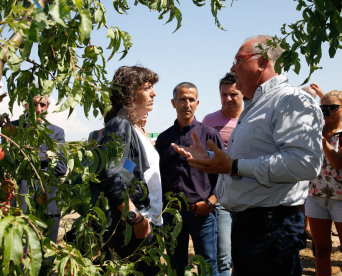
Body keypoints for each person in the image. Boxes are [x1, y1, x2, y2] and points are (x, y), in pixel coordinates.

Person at [171, 35, 323, 275]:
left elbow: (304, 164)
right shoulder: (256, 105)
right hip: (250, 228)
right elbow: (247, 159)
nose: (232, 68)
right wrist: (212, 159)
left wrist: (233, 166)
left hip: (272, 230)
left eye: (237, 60)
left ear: (262, 61)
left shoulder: (291, 100)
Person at [97, 65, 162, 275]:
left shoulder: (135, 128)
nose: (154, 93)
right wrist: (135, 217)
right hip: (135, 225)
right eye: (147, 88)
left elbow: (128, 172)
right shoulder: (120, 124)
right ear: (129, 93)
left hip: (147, 221)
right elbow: (109, 175)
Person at [155, 82, 223, 276]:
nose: (187, 104)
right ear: (173, 103)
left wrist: (211, 202)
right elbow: (158, 175)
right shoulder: (164, 139)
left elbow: (223, 175)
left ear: (198, 103)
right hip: (172, 215)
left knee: (208, 265)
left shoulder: (210, 136)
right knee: (175, 265)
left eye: (191, 99)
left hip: (202, 213)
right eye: (182, 99)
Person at [11, 93, 67, 274]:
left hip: (49, 198)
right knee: (17, 248)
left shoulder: (56, 132)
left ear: (47, 107)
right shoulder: (13, 128)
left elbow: (60, 167)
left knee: (47, 251)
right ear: (25, 105)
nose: (38, 109)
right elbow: (11, 162)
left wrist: (29, 156)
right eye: (34, 104)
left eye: (42, 104)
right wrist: (47, 155)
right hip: (22, 197)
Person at [202, 72, 243, 276]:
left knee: (245, 255)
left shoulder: (250, 119)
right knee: (223, 256)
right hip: (221, 197)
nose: (228, 99)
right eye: (223, 94)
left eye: (233, 94)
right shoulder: (209, 120)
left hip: (248, 195)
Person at [306, 90, 342, 276]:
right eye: (323, 107)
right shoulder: (314, 131)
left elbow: (338, 162)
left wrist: (322, 142)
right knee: (321, 249)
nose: (327, 111)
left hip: (340, 199)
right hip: (315, 196)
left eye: (333, 107)